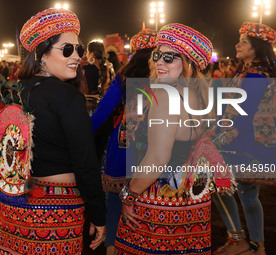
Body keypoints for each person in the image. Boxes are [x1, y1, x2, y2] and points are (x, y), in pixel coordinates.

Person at [0, 8, 106, 255]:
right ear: (42, 54)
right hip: (57, 207)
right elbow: (85, 161)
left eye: (79, 49)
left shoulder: (14, 92)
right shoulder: (67, 97)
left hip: (16, 205)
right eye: (67, 49)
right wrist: (99, 213)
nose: (77, 56)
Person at [114, 23, 213, 254]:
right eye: (158, 54)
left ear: (187, 64)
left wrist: (129, 195)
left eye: (169, 57)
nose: (159, 61)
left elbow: (157, 158)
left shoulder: (165, 97)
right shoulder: (199, 95)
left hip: (160, 201)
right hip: (193, 201)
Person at [212, 21, 276, 255]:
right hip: (240, 141)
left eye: (243, 42)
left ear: (256, 47)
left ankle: (251, 244)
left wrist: (219, 139)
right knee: (228, 190)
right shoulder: (248, 71)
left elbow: (244, 114)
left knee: (242, 194)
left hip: (246, 144)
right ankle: (244, 242)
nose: (237, 44)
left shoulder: (257, 76)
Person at [91, 28, 157, 255]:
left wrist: (82, 135)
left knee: (114, 197)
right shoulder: (166, 77)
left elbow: (102, 112)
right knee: (149, 195)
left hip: (124, 142)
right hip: (155, 143)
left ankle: (111, 248)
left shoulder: (124, 77)